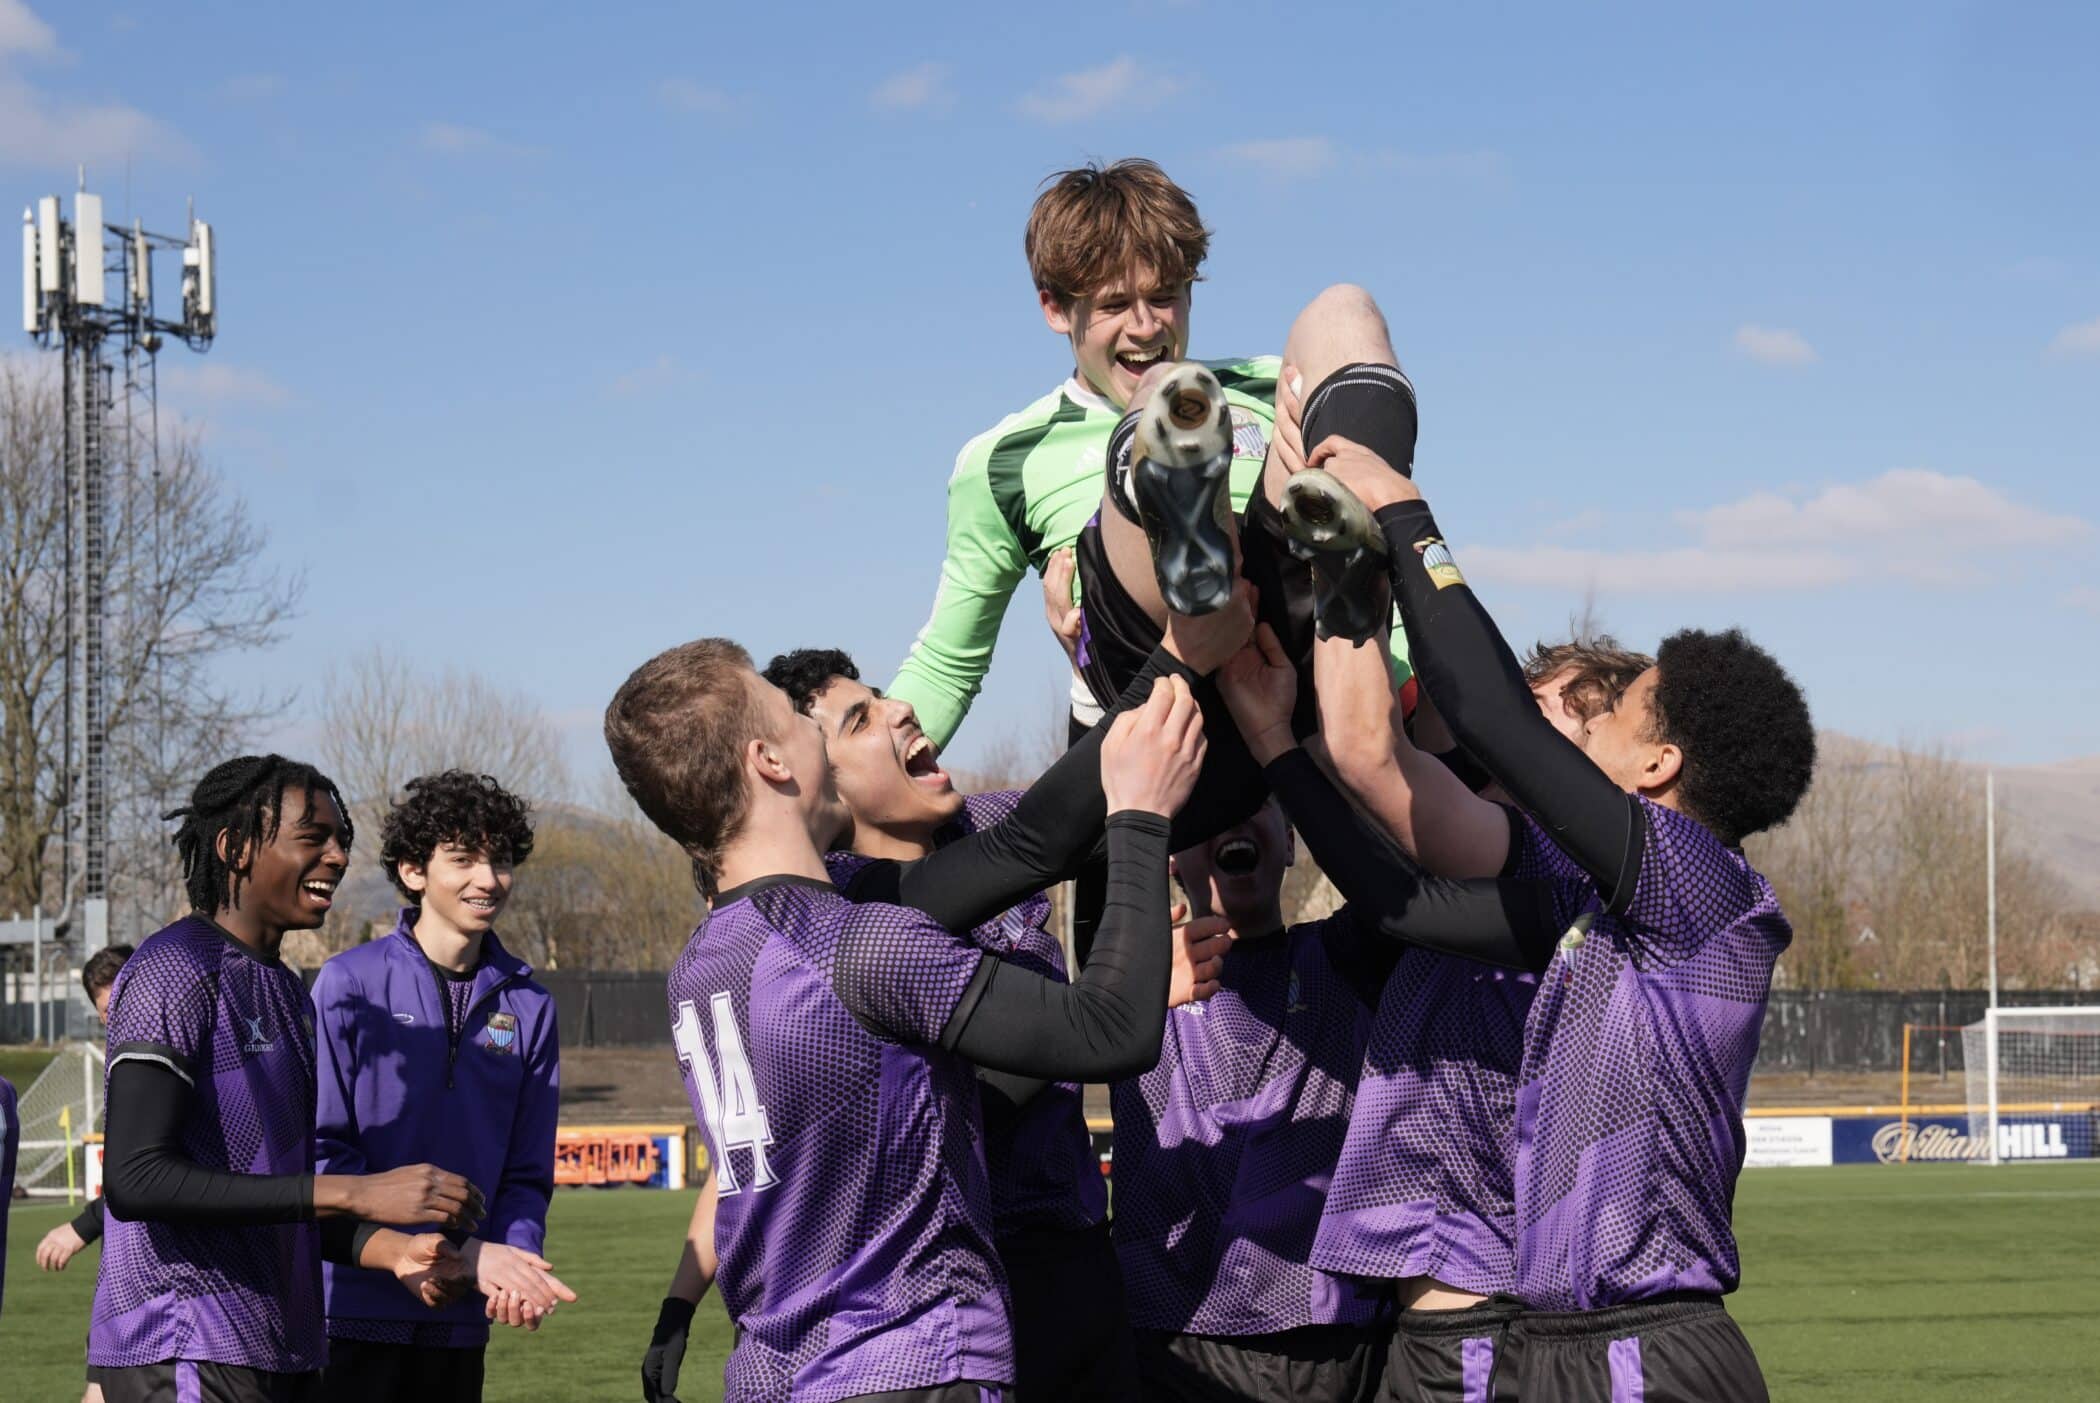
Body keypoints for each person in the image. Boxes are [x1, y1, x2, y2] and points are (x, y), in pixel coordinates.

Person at [1265, 402, 1815, 1398]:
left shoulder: (1699, 888)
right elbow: (1406, 904)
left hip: (1651, 1346)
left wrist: (1405, 518)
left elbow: (1491, 716)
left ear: (1659, 763)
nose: (1593, 728)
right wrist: (1272, 739)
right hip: (1561, 1346)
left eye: (1623, 708)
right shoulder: (1602, 913)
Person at [608, 637, 1206, 1402]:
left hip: (779, 1371)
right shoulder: (854, 941)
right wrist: (1141, 815)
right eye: (798, 717)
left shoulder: (697, 966)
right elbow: (1110, 1030)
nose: (817, 727)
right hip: (910, 1353)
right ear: (770, 759)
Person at [762, 646, 1237, 1401]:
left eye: (883, 696)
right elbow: (953, 1105)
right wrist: (1124, 995)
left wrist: (1134, 653)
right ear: (823, 784)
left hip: (1081, 1245)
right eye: (860, 719)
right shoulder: (852, 918)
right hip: (976, 1280)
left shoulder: (980, 826)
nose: (903, 710)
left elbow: (1123, 783)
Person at [89, 755, 488, 1403]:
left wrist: (392, 1250)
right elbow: (136, 1178)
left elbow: (277, 1196)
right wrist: (356, 1192)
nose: (336, 856)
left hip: (281, 1346)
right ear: (235, 847)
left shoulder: (287, 993)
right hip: (186, 1340)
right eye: (313, 838)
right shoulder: (176, 968)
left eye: (341, 841)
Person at [888, 158, 1284, 750]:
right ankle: (1169, 509)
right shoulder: (1004, 461)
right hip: (1147, 722)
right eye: (1114, 305)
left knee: (1343, 313)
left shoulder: (1268, 389)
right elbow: (949, 661)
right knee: (1159, 398)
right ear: (1055, 309)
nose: (1146, 327)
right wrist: (859, 775)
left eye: (1164, 296)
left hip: (1290, 694)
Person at [1111, 798, 1399, 1403]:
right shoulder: (1124, 984)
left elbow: (1390, 876)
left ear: (1293, 842)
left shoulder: (1342, 958)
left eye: (1256, 804)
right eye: (1214, 806)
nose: (1233, 819)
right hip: (1172, 1336)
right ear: (1168, 857)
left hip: (1329, 1337)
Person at [313, 770, 573, 1402]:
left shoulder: (531, 1006)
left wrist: (511, 1265)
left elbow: (526, 1170)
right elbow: (322, 1152)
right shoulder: (348, 984)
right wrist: (407, 1252)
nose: (487, 879)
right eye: (463, 859)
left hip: (460, 1317)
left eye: (502, 861)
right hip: (350, 1309)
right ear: (412, 871)